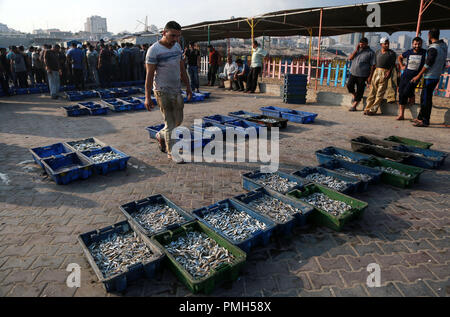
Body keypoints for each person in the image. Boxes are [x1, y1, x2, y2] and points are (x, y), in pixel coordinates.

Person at [144, 21, 192, 163]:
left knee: (178, 121)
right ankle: (173, 152)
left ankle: (161, 135)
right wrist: (147, 97)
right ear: (164, 33)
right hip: (162, 91)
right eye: (172, 36)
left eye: (178, 36)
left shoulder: (177, 47)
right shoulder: (154, 50)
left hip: (176, 90)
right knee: (171, 123)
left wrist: (188, 87)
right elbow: (149, 75)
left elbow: (182, 68)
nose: (175, 39)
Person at [411, 29, 448, 127]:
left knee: (426, 99)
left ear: (429, 36)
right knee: (424, 97)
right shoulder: (443, 46)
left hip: (430, 76)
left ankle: (425, 121)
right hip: (436, 75)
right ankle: (420, 118)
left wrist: (418, 75)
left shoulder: (433, 48)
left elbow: (428, 64)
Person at [363, 37, 397, 115]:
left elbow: (392, 65)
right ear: (381, 44)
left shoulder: (391, 53)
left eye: (388, 43)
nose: (387, 45)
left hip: (384, 72)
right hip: (376, 72)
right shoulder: (377, 52)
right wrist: (370, 76)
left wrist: (389, 71)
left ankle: (373, 110)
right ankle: (367, 108)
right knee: (372, 91)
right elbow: (374, 65)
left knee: (380, 92)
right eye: (385, 43)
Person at [396, 37, 426, 120]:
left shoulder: (424, 52)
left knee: (407, 91)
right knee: (401, 94)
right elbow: (399, 57)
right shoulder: (409, 52)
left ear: (421, 44)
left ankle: (412, 96)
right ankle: (401, 114)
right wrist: (401, 65)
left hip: (415, 77)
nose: (417, 46)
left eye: (419, 44)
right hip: (405, 75)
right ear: (412, 44)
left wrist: (420, 75)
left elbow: (427, 64)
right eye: (415, 44)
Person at [347, 37, 375, 111]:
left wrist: (370, 76)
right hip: (353, 73)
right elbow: (350, 58)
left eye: (363, 44)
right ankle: (355, 95)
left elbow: (373, 65)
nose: (361, 45)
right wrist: (356, 50)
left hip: (363, 75)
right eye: (360, 43)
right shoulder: (357, 51)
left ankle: (354, 106)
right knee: (349, 85)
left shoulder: (370, 52)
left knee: (360, 90)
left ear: (366, 44)